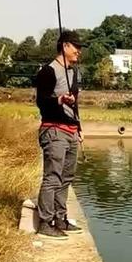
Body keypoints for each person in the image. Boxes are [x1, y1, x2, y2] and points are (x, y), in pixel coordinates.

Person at [35, 30, 84, 239]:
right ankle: (45, 222)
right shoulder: (48, 71)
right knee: (52, 177)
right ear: (64, 46)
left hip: (71, 131)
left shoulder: (73, 73)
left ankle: (61, 218)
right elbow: (41, 102)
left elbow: (75, 105)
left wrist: (79, 129)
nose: (79, 52)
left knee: (66, 178)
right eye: (76, 47)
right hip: (53, 130)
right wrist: (59, 100)